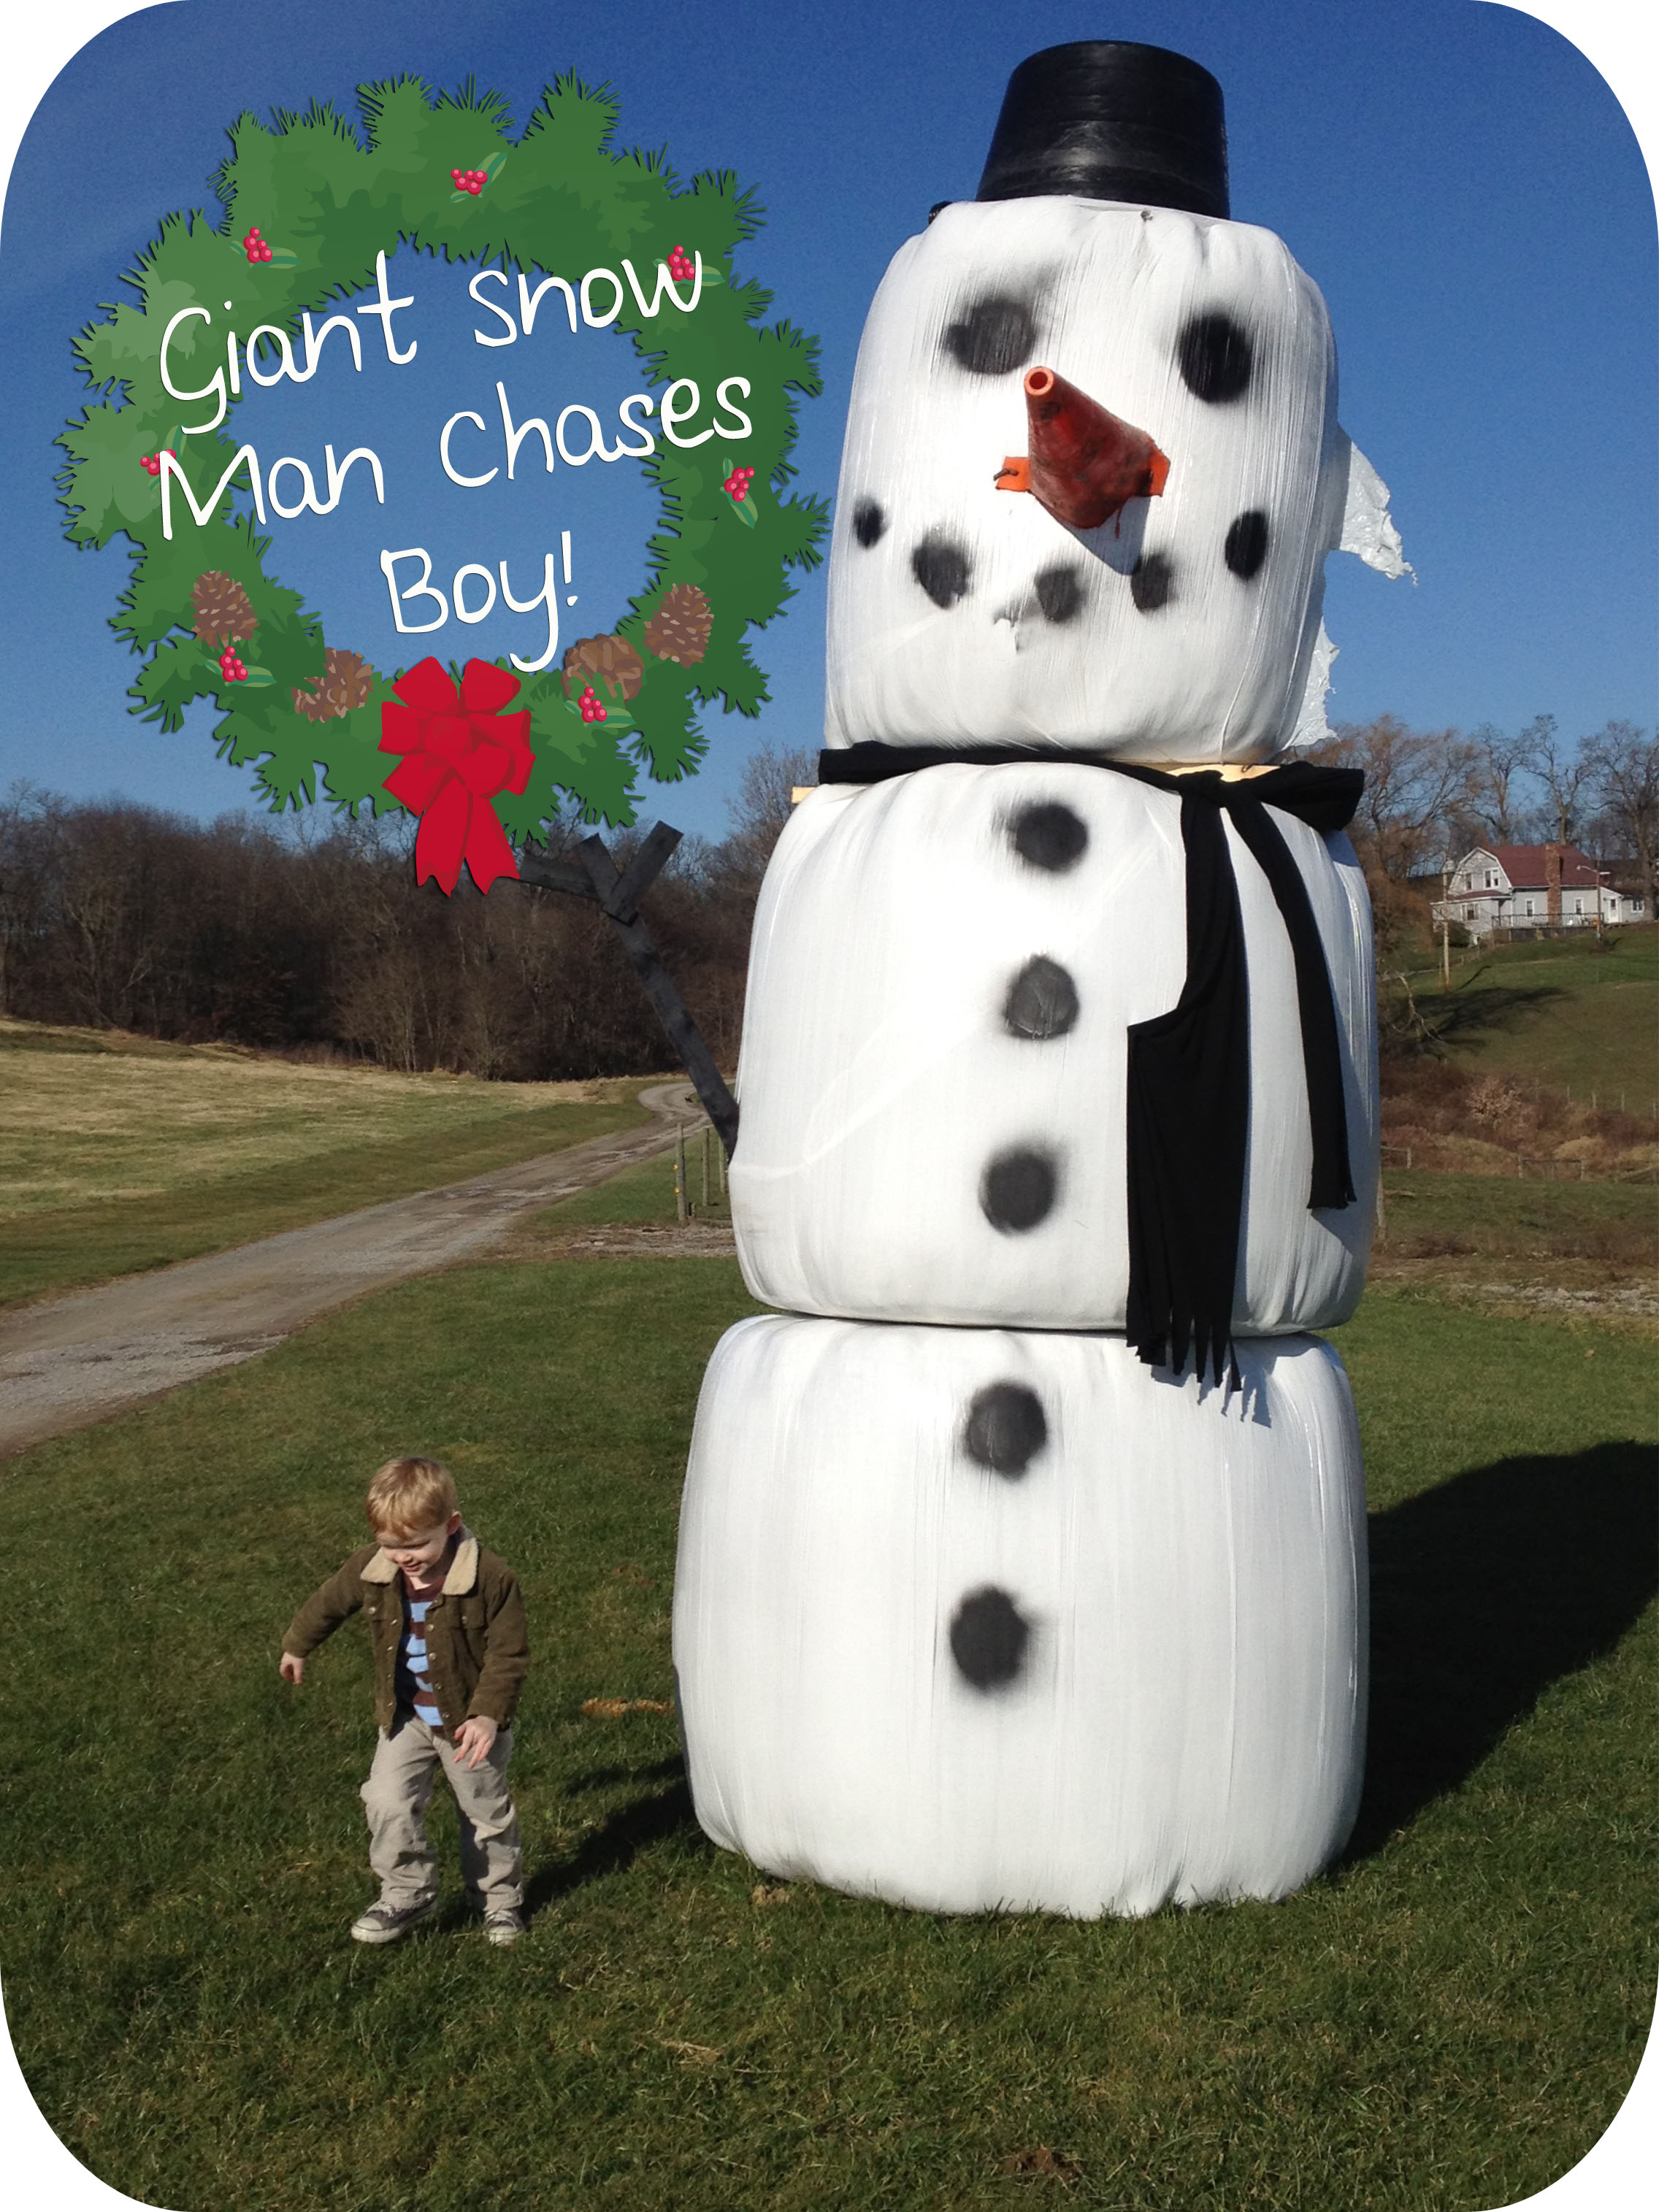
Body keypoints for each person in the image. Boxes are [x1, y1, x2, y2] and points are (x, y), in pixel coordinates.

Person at [280, 1456, 531, 1946]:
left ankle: (500, 1903)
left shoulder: (490, 1578)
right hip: (406, 1717)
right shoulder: (374, 1570)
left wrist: (486, 1715)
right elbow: (330, 1600)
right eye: (392, 1546)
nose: (405, 1557)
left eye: (417, 1544)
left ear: (451, 1526)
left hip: (468, 1725)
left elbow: (509, 1654)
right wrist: (297, 1644)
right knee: (386, 1800)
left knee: (484, 1814)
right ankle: (407, 1892)